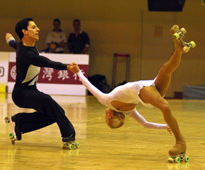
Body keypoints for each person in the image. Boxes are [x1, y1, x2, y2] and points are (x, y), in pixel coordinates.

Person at [69, 25, 187, 157]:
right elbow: (88, 84)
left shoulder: (128, 112)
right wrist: (78, 71)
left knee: (166, 69)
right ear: (108, 116)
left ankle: (178, 50)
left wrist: (165, 126)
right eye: (106, 118)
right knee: (165, 106)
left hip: (150, 88)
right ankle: (180, 142)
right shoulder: (106, 101)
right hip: (143, 90)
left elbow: (146, 124)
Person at [5, 18, 77, 148]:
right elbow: (48, 63)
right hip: (22, 93)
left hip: (30, 91)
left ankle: (20, 122)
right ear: (24, 32)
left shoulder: (21, 45)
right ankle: (68, 136)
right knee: (48, 101)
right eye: (33, 27)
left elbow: (13, 43)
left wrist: (9, 39)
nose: (37, 29)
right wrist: (67, 67)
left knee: (57, 112)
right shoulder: (27, 53)